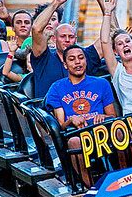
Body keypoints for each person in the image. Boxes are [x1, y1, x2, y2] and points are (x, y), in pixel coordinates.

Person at [45, 44, 116, 186]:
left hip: (101, 131)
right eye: (72, 59)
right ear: (65, 65)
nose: (77, 62)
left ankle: (123, 178)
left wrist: (103, 117)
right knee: (74, 142)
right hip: (76, 134)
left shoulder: (102, 83)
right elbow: (60, 125)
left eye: (81, 58)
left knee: (119, 131)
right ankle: (90, 187)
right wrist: (71, 119)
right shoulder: (57, 88)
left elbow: (113, 116)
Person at [30, 0, 104, 98]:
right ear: (54, 38)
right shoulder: (44, 58)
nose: (67, 40)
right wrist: (56, 3)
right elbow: (36, 28)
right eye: (63, 36)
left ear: (76, 39)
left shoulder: (85, 56)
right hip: (49, 113)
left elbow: (109, 36)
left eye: (71, 36)